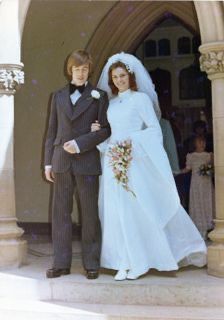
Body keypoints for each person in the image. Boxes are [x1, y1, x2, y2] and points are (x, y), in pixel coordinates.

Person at [91, 52, 206, 281]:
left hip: (134, 162)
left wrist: (130, 143)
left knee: (137, 211)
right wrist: (100, 137)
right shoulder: (111, 104)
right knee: (116, 212)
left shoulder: (141, 99)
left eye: (123, 75)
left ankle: (139, 261)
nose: (119, 80)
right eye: (115, 77)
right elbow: (110, 135)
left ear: (130, 76)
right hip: (114, 162)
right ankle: (122, 261)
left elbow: (153, 130)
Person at [44, 49, 110, 279]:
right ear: (69, 69)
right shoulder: (58, 96)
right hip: (60, 161)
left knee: (89, 214)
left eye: (84, 69)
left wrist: (81, 143)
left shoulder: (100, 96)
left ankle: (92, 263)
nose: (81, 73)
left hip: (87, 161)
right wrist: (47, 164)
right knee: (60, 213)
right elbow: (52, 132)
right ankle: (61, 263)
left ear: (88, 70)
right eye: (77, 69)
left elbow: (105, 130)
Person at [182, 135, 214, 239]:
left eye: (203, 142)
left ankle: (210, 227)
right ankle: (200, 230)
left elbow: (214, 166)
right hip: (196, 184)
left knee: (207, 203)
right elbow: (187, 168)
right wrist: (176, 172)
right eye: (200, 142)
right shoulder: (191, 156)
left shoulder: (209, 155)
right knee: (198, 203)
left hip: (206, 184)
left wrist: (209, 170)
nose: (202, 144)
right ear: (195, 143)